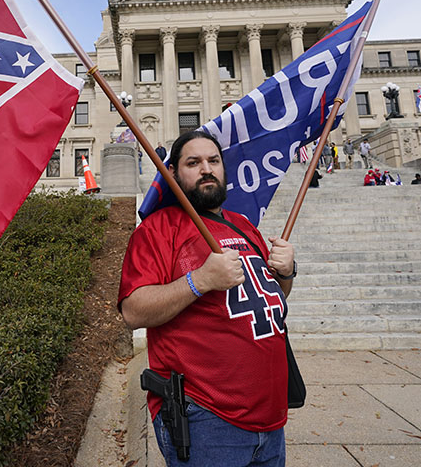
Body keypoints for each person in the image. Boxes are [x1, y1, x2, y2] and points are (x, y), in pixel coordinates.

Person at [119, 130, 295, 467]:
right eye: (193, 162)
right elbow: (133, 310)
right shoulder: (157, 229)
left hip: (271, 418)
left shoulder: (244, 225)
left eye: (213, 161)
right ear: (172, 173)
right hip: (206, 417)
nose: (206, 169)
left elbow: (270, 299)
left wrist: (285, 272)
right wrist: (198, 280)